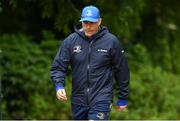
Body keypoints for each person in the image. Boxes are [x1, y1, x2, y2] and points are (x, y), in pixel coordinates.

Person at [50, 5, 130, 120]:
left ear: (99, 21)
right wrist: (59, 86)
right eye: (85, 22)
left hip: (102, 98)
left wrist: (123, 96)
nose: (88, 26)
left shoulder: (111, 41)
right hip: (78, 99)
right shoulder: (71, 41)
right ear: (81, 21)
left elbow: (122, 70)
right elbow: (58, 67)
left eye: (92, 23)